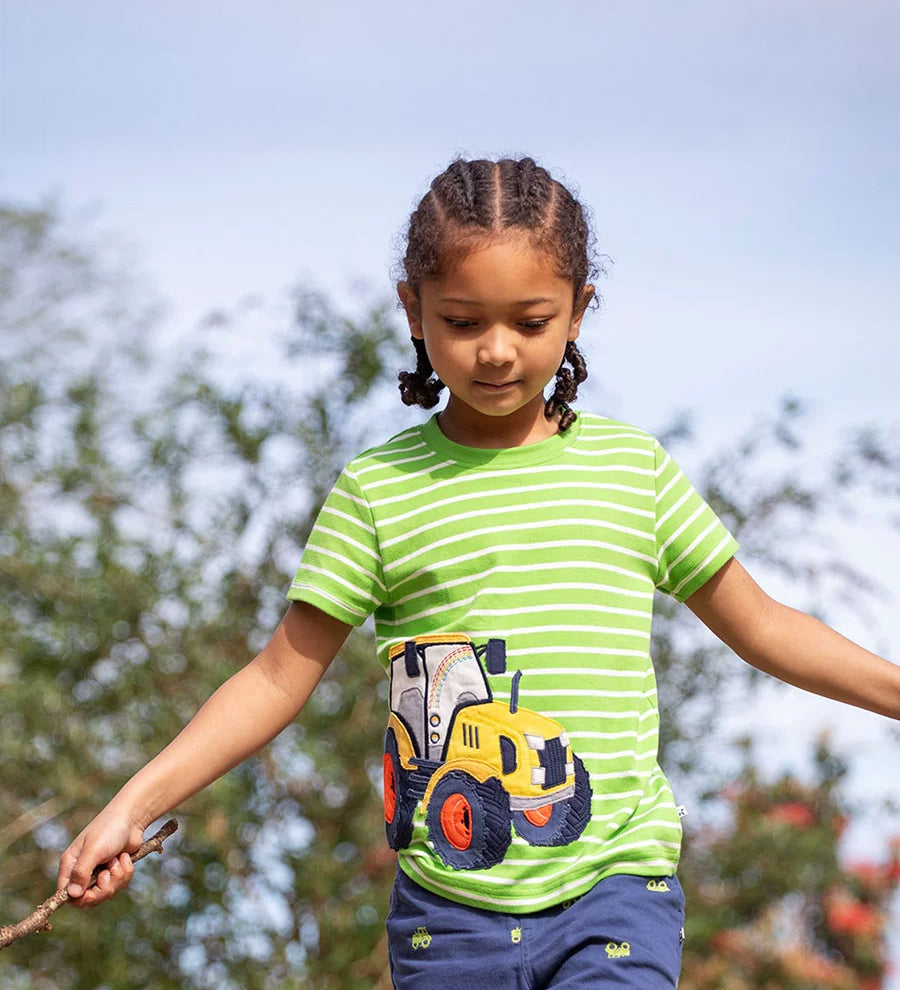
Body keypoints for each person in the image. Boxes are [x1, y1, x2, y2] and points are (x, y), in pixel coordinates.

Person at [58, 157, 900, 989]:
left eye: (530, 322)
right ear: (413, 311)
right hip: (448, 912)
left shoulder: (631, 471)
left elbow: (764, 625)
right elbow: (277, 676)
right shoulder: (379, 492)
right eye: (463, 321)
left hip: (618, 888)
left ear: (578, 313)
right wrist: (129, 806)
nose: (496, 351)